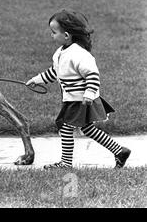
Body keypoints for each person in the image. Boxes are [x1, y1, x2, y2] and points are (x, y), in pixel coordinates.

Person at [26, 9, 131, 169]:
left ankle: (66, 163)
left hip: (82, 100)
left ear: (66, 35)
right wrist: (37, 79)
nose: (51, 35)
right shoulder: (60, 53)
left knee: (66, 126)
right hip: (72, 99)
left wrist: (89, 94)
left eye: (53, 32)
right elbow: (55, 72)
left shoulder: (79, 55)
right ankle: (119, 151)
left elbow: (93, 75)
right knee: (87, 129)